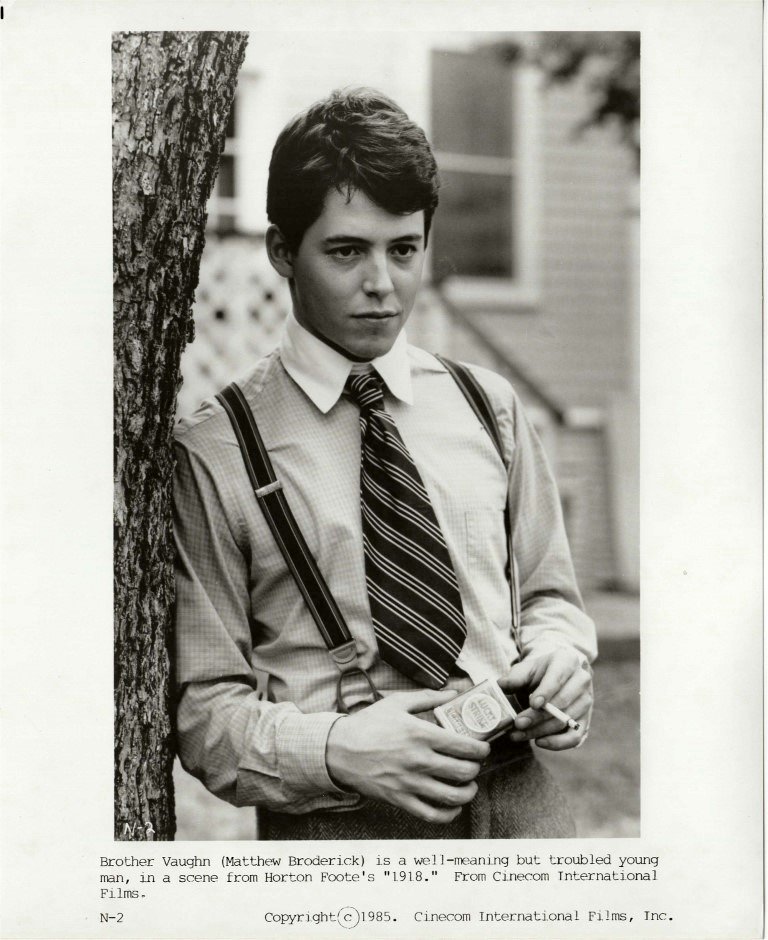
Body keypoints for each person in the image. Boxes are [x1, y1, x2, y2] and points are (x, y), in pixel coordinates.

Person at [173, 87, 597, 840]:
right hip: (342, 828)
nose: (381, 284)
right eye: (346, 251)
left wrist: (561, 658)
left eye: (403, 250)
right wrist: (337, 750)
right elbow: (205, 715)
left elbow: (549, 598)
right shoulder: (216, 450)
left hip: (523, 807)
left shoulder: (487, 406)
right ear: (282, 251)